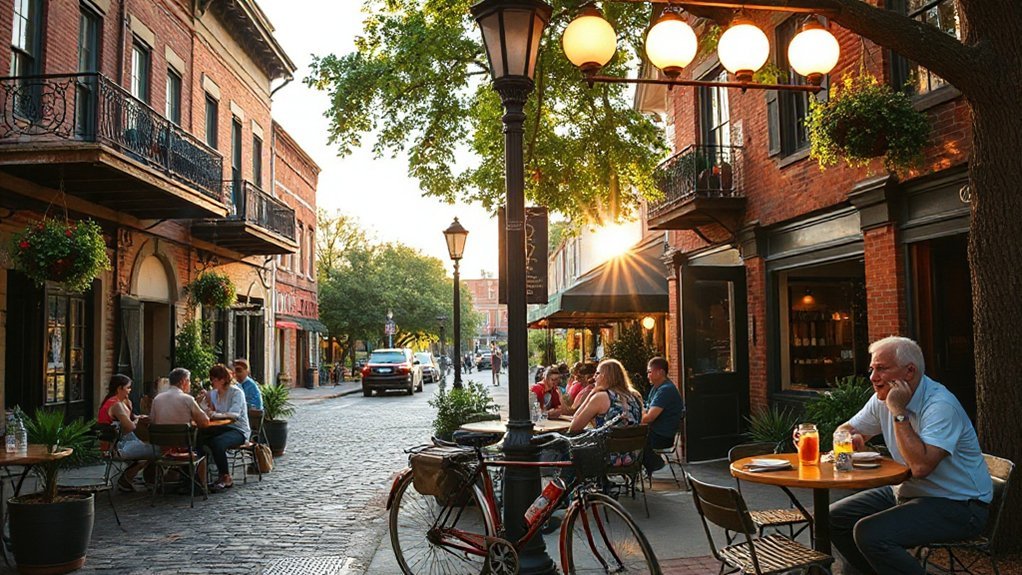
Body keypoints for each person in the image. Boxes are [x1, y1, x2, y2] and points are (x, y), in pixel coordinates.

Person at [829, 336, 992, 575]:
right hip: (907, 492)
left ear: (909, 371)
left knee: (869, 533)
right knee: (834, 518)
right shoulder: (880, 398)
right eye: (872, 369)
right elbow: (845, 429)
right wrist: (850, 439)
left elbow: (921, 467)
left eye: (882, 369)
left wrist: (898, 411)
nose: (873, 377)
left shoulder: (940, 405)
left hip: (959, 505)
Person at [569, 358, 643, 467]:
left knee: (565, 447)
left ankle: (563, 483)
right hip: (632, 457)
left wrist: (591, 394)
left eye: (597, 373)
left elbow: (574, 427)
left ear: (605, 376)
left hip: (606, 458)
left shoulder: (602, 397)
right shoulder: (635, 396)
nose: (594, 377)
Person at [150, 368, 211, 491]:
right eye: (189, 381)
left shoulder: (157, 399)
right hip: (182, 449)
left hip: (163, 449)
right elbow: (204, 422)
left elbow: (152, 421)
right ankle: (201, 486)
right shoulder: (187, 399)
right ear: (183, 381)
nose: (189, 384)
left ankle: (184, 480)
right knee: (203, 449)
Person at [97, 374, 157, 492]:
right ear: (119, 388)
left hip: (112, 444)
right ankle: (141, 480)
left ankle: (130, 479)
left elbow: (130, 419)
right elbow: (130, 426)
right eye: (128, 387)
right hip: (118, 447)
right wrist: (138, 420)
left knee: (151, 447)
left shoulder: (114, 402)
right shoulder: (117, 405)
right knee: (159, 449)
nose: (130, 390)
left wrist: (137, 416)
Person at [198, 364, 250, 492]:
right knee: (198, 437)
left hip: (238, 429)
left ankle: (225, 477)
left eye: (214, 380)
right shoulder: (214, 393)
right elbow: (203, 409)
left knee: (218, 443)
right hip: (221, 427)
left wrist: (214, 415)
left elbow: (234, 414)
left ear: (222, 379)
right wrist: (200, 402)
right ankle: (198, 477)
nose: (212, 382)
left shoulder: (236, 393)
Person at [640, 357, 684, 476]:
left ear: (660, 372)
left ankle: (654, 463)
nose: (647, 375)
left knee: (631, 440)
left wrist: (639, 410)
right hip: (655, 431)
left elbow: (648, 418)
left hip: (662, 436)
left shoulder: (666, 390)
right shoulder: (656, 388)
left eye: (649, 372)